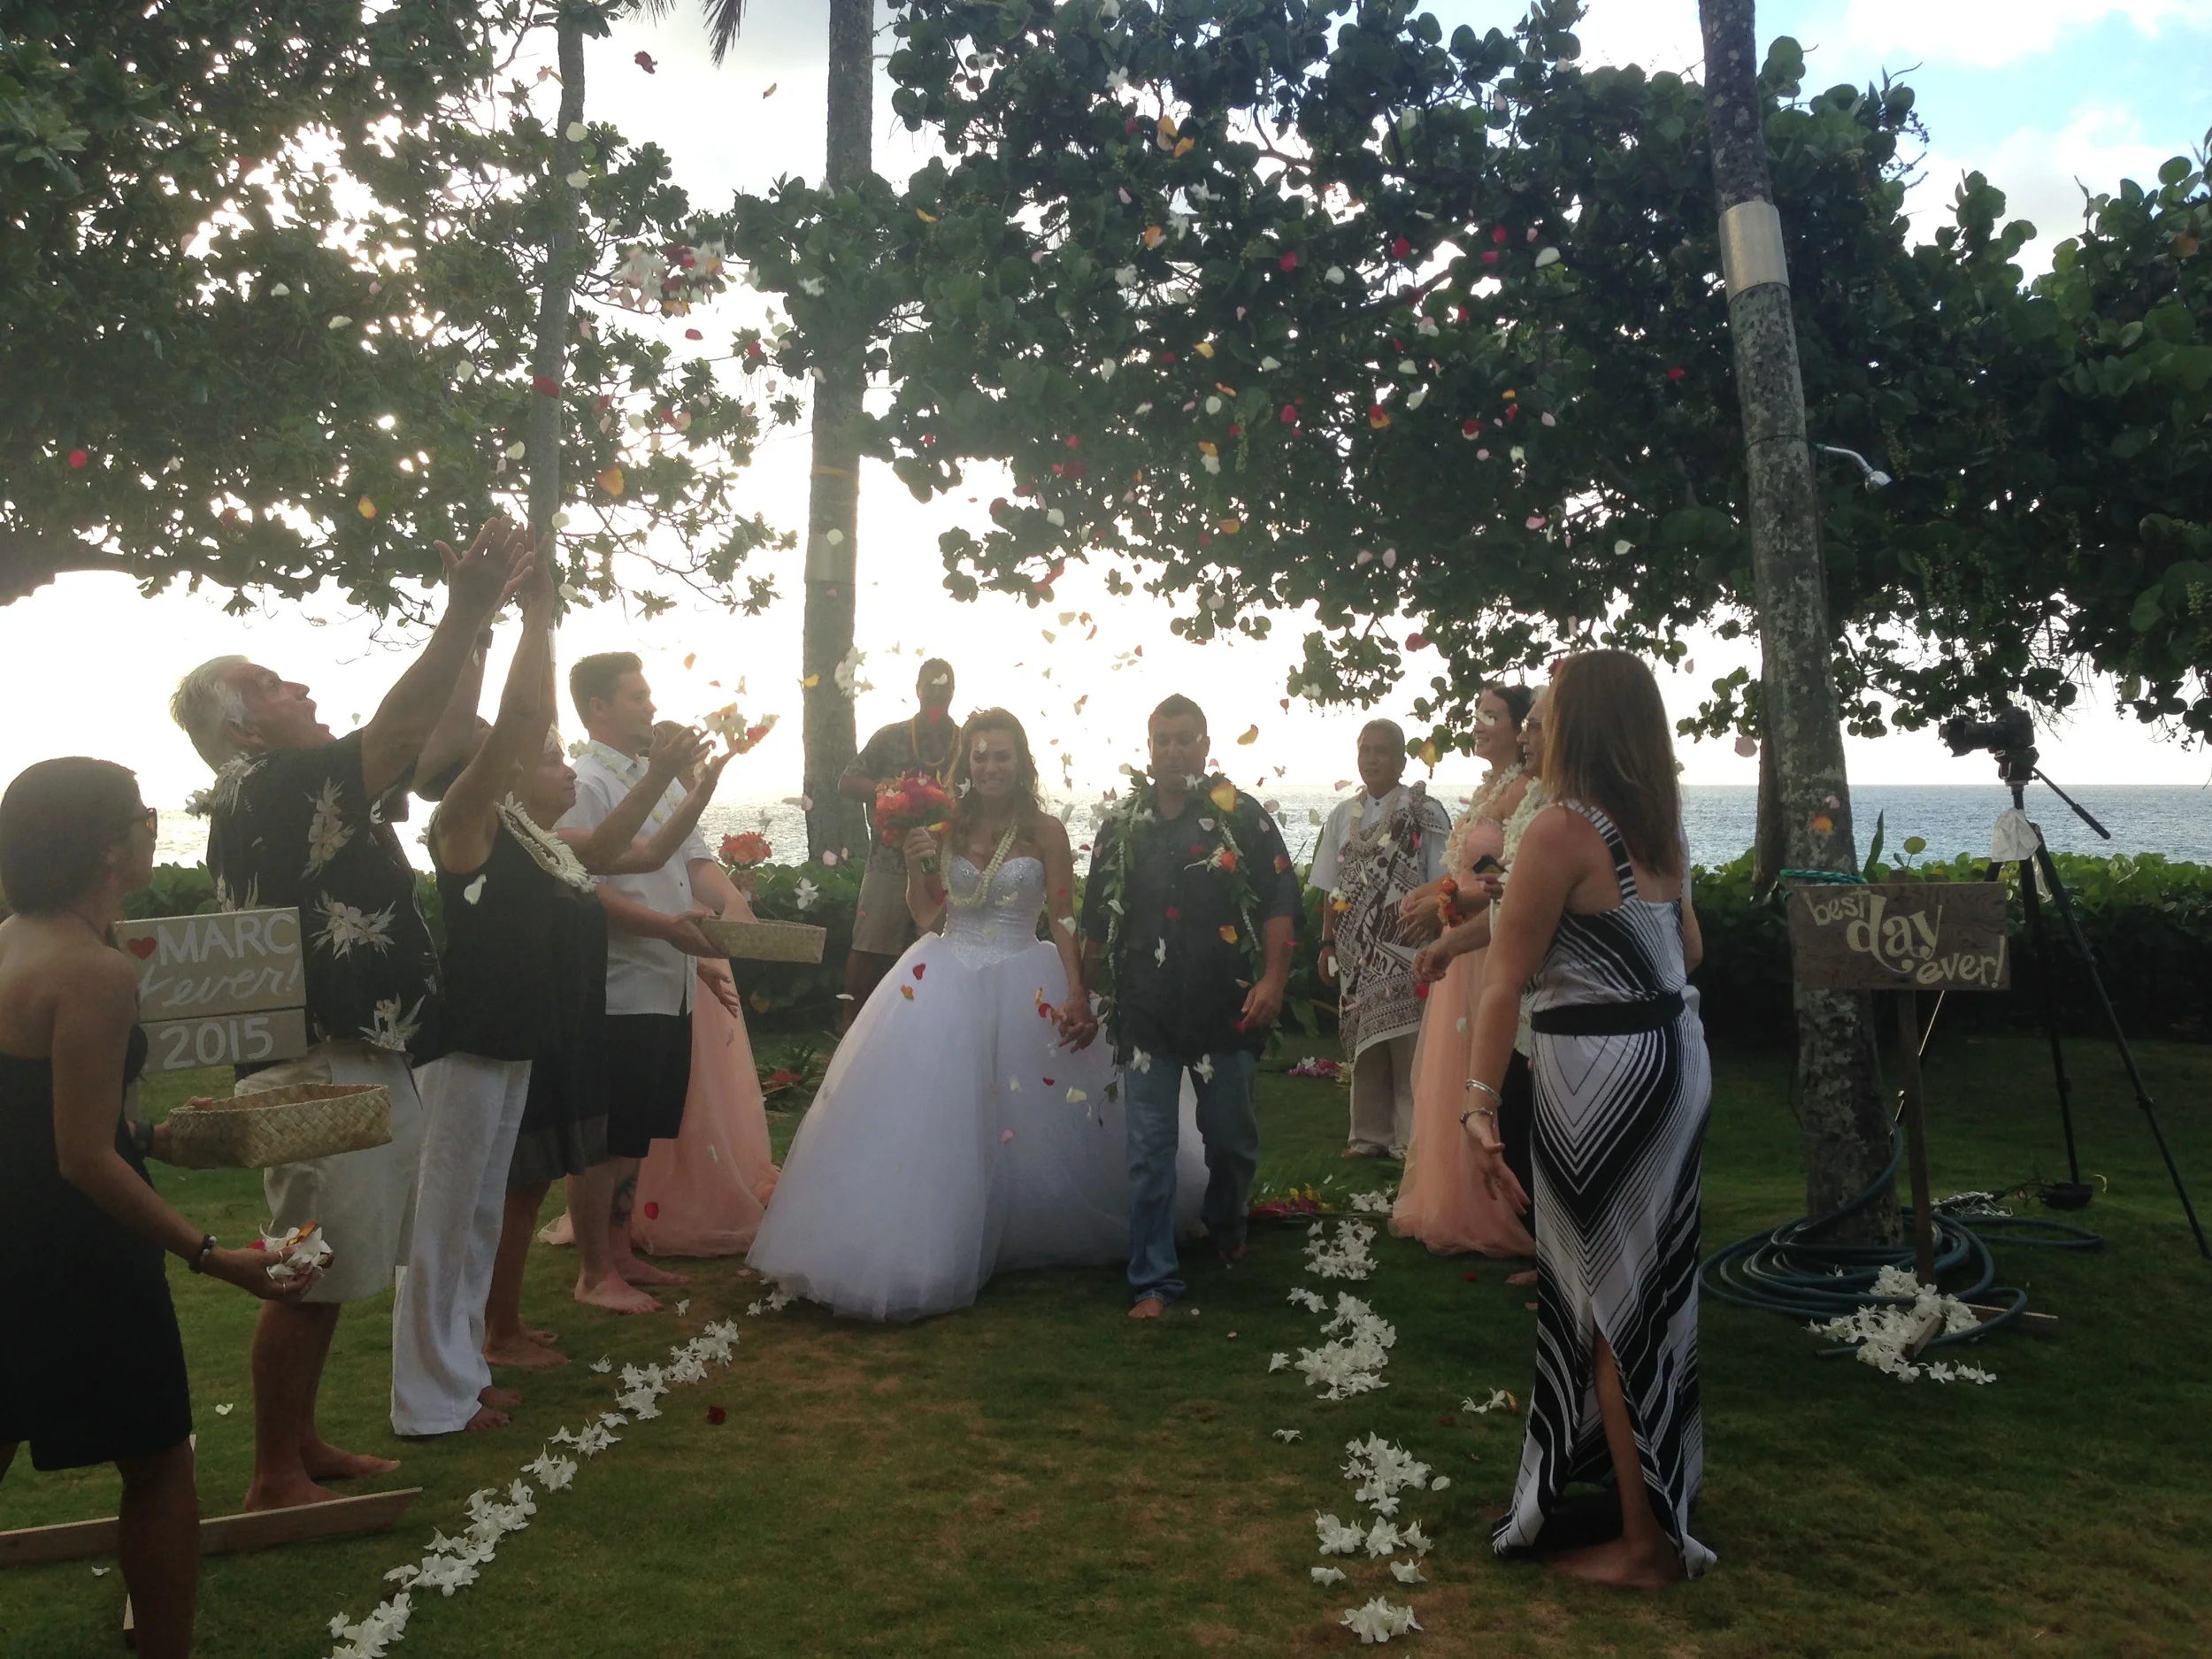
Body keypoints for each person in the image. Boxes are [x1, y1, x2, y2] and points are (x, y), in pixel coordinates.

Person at [170, 515, 533, 1510]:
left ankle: (302, 1446)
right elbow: (408, 732)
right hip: (316, 1064)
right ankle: (275, 1472)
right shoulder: (265, 787)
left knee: (324, 1268)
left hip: (356, 1056)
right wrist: (461, 610)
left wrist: (485, 625)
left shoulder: (312, 790)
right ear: (243, 728)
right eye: (276, 686)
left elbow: (443, 736)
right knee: (306, 1267)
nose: (304, 691)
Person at [392, 567, 733, 1434]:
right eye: (544, 759)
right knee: (448, 1223)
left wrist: (669, 773)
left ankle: (464, 1370)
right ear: (500, 773)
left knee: (477, 1219)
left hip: (519, 1042)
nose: (557, 766)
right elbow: (518, 721)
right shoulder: (466, 827)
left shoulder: (540, 843)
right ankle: (429, 1397)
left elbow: (622, 842)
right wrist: (533, 617)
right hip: (468, 1043)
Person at [2, 758, 320, 1659]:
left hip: (8, 1239)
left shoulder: (11, 939)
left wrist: (152, 1138)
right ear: (108, 846)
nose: (153, 821)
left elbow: (43, 1120)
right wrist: (214, 1254)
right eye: (140, 812)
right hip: (76, 1255)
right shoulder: (94, 971)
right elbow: (80, 1158)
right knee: (156, 1459)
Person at [750, 710, 1202, 1320]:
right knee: (939, 1116)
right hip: (944, 976)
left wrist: (1076, 990)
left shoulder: (1045, 832)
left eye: (1003, 755)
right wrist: (916, 863)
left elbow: (1065, 915)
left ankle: (1026, 1224)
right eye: (982, 756)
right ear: (967, 766)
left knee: (1038, 1121)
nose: (992, 766)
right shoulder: (945, 826)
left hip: (1024, 971)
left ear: (1021, 763)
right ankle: (933, 1230)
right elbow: (925, 914)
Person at [1462, 651, 1712, 1587]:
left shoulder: (1561, 831)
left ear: (1583, 724)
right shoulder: (1658, 829)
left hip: (1595, 1079)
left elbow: (1503, 980)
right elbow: (1688, 948)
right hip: (1672, 1062)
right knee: (1653, 1289)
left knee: (1604, 1301)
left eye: (1550, 708)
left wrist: (1477, 1106)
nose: (1535, 722)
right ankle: (1647, 1490)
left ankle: (1645, 1548)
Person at [1072, 695, 1302, 1320]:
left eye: (1185, 739)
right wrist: (1083, 994)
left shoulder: (1240, 815)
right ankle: (1153, 1279)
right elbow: (1096, 917)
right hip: (1145, 1008)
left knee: (1230, 1137)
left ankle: (1227, 1221)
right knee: (1148, 1145)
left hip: (1225, 1004)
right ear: (1149, 748)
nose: (1173, 750)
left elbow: (1281, 896)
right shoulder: (1121, 825)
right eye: (1162, 739)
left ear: (1204, 745)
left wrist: (1273, 979)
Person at [557, 652, 749, 1313]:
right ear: (596, 708)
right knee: (606, 1138)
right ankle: (592, 1271)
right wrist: (665, 926)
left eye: (647, 693)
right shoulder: (585, 782)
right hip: (619, 982)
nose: (649, 705)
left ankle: (621, 1251)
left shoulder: (656, 780)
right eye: (635, 696)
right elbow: (582, 890)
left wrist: (739, 919)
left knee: (636, 1136)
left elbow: (692, 864)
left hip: (669, 980)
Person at [1388, 684, 1540, 1256]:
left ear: (1521, 730)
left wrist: (1444, 906)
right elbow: (1469, 870)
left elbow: (1503, 881)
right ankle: (1455, 1197)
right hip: (1465, 940)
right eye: (1478, 714)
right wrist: (1426, 895)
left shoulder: (1525, 793)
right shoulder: (1492, 790)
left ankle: (1505, 1209)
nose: (1477, 725)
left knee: (1487, 1070)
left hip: (1487, 949)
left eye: (1491, 716)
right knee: (1451, 1071)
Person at [1309, 719, 1452, 1162]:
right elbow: (1331, 890)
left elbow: (1444, 879)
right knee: (1366, 1046)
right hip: (1355, 953)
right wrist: (1327, 944)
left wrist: (1437, 937)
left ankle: (1410, 1139)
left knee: (1408, 1044)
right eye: (1365, 750)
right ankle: (1368, 1136)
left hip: (1407, 944)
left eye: (1382, 751)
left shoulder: (1425, 812)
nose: (1371, 759)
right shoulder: (1341, 816)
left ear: (1401, 759)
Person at [836, 658, 958, 1030]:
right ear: (918, 689)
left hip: (949, 861)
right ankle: (850, 1025)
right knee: (870, 946)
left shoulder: (965, 740)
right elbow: (846, 782)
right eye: (931, 685)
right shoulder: (890, 737)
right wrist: (895, 793)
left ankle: (930, 1027)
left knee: (941, 947)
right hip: (889, 861)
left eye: (945, 685)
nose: (938, 691)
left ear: (953, 691)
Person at [628, 974, 781, 1257]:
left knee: (704, 1075)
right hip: (668, 965)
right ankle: (645, 1195)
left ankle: (702, 1177)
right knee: (685, 1070)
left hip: (695, 966)